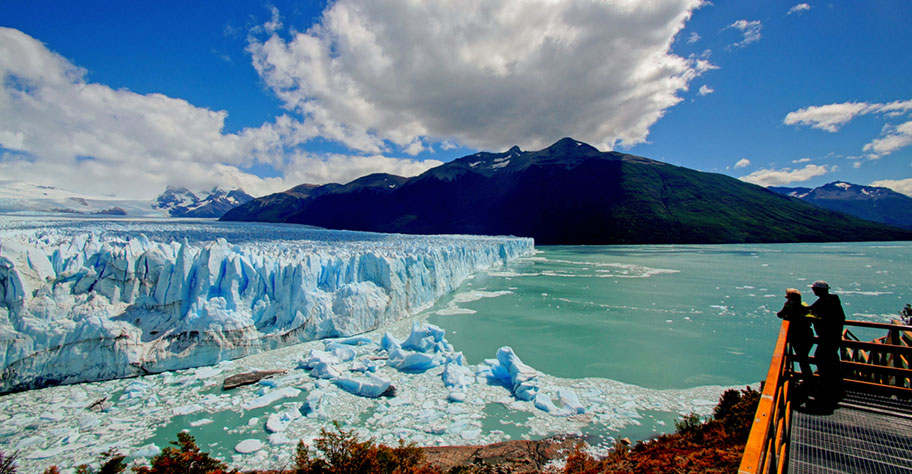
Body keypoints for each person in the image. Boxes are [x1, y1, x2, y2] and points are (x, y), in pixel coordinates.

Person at [808, 280, 846, 411]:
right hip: (834, 337)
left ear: (819, 290)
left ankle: (826, 388)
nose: (813, 291)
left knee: (823, 359)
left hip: (828, 337)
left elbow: (810, 312)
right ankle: (835, 388)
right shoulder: (832, 300)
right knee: (832, 360)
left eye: (814, 289)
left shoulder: (824, 301)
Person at [776, 288, 814, 383]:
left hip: (797, 335)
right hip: (808, 334)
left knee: (801, 358)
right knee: (804, 358)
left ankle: (808, 380)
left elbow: (780, 314)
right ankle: (808, 378)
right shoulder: (804, 305)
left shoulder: (789, 306)